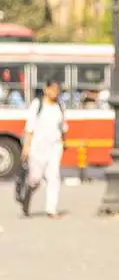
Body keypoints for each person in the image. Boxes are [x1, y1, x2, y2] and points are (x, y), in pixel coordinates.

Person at [21, 79, 67, 218]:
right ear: (45, 89)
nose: (55, 92)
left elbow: (63, 126)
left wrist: (63, 141)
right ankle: (27, 194)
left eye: (57, 89)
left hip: (55, 146)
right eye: (52, 89)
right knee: (35, 178)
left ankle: (51, 209)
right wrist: (26, 147)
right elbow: (30, 127)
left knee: (54, 177)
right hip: (38, 147)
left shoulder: (60, 105)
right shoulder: (37, 104)